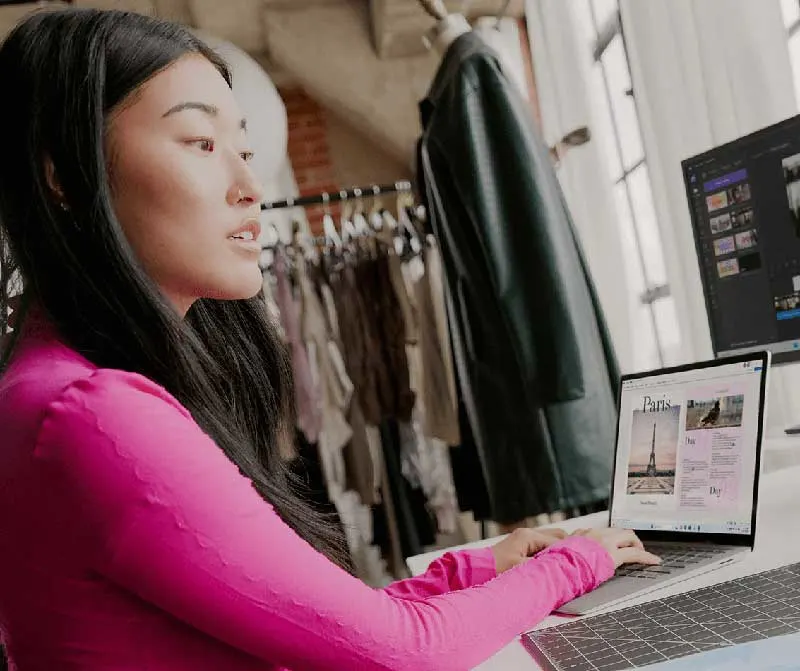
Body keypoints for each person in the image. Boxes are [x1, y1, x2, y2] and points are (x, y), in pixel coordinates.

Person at [0, 8, 659, 671]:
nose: (250, 188)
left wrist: (475, 566)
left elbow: (335, 631)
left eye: (246, 151)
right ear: (63, 173)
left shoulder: (47, 389)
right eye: (201, 143)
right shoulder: (90, 414)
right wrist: (581, 558)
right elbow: (401, 652)